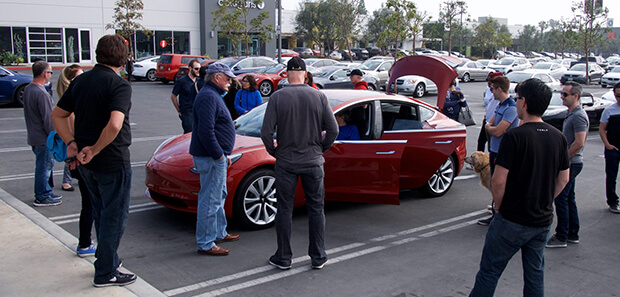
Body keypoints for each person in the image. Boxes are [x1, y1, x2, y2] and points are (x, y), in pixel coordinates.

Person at [469, 78, 570, 297]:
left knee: (489, 272)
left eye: (516, 98)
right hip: (542, 221)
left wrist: (502, 208)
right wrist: (545, 199)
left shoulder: (514, 137)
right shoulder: (558, 137)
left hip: (512, 220)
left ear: (523, 102)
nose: (515, 102)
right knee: (534, 275)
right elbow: (563, 179)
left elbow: (498, 180)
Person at [51, 34, 137, 287]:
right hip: (111, 161)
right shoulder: (119, 85)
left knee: (101, 213)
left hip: (86, 163)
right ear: (123, 57)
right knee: (114, 217)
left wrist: (72, 143)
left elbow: (58, 115)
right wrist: (95, 149)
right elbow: (114, 124)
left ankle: (107, 259)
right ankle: (105, 272)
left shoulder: (81, 80)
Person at [261, 57, 339, 270]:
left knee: (284, 209)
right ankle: (318, 256)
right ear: (305, 74)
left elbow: (266, 132)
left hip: (286, 162)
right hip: (313, 162)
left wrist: (274, 151)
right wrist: (320, 148)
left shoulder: (277, 97)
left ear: (286, 74)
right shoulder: (319, 96)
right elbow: (333, 130)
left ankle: (284, 257)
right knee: (316, 208)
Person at [190, 63, 240, 256]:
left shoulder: (211, 95)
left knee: (218, 196)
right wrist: (219, 154)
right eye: (227, 79)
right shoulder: (209, 97)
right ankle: (206, 242)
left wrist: (222, 154)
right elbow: (205, 131)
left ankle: (219, 232)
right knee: (210, 200)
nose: (230, 83)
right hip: (211, 157)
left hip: (215, 156)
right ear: (217, 77)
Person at [56, 64, 97, 256]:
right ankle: (85, 243)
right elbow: (74, 135)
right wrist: (74, 154)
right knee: (90, 204)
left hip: (76, 159)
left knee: (88, 203)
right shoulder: (72, 110)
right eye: (80, 77)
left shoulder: (66, 105)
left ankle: (85, 241)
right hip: (81, 160)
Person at [547, 81, 589, 248]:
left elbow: (579, 142)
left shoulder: (578, 115)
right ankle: (572, 233)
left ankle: (562, 235)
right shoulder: (571, 113)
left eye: (565, 94)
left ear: (576, 96)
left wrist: (562, 161)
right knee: (569, 198)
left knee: (562, 198)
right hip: (571, 162)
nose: (562, 97)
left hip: (572, 163)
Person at [478, 75, 520, 226]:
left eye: (492, 89)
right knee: (495, 183)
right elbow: (490, 123)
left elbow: (497, 131)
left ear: (499, 89)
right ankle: (497, 212)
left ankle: (501, 215)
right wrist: (490, 127)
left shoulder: (511, 107)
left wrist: (490, 128)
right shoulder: (500, 105)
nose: (491, 92)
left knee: (501, 183)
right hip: (494, 149)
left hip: (504, 152)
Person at [24, 60, 62, 206]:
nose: (51, 75)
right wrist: (55, 136)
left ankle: (46, 191)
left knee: (45, 166)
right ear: (45, 73)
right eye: (50, 72)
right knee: (44, 167)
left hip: (34, 135)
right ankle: (42, 196)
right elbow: (48, 119)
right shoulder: (41, 94)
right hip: (43, 138)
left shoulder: (28, 89)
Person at [56, 64, 85, 192]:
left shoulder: (74, 96)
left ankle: (70, 179)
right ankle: (67, 181)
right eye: (80, 75)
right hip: (74, 143)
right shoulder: (70, 100)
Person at [599, 82, 620, 213]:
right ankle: (613, 201)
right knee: (611, 176)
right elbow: (602, 129)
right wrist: (607, 144)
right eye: (618, 95)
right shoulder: (609, 111)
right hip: (613, 149)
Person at [171, 59, 202, 133]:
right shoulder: (182, 81)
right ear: (190, 68)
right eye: (196, 69)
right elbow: (173, 96)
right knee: (189, 133)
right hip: (187, 112)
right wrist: (179, 110)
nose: (198, 71)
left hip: (198, 112)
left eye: (199, 69)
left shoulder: (199, 81)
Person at [477, 72, 503, 152]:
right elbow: (488, 104)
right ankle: (479, 161)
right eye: (488, 81)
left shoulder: (499, 92)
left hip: (495, 121)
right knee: (481, 141)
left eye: (491, 81)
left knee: (492, 145)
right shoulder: (488, 90)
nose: (489, 83)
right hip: (487, 119)